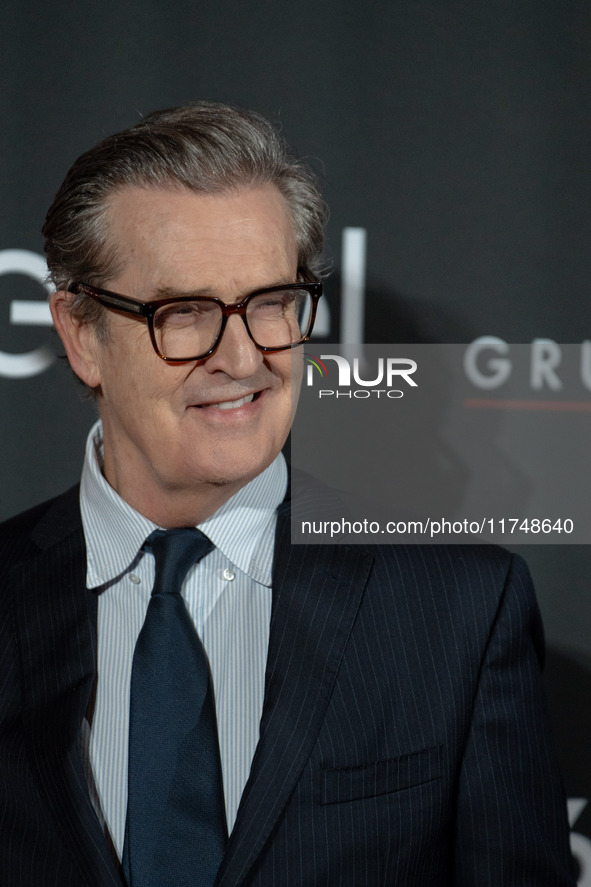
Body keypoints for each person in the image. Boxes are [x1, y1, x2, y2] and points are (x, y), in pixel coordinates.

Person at [0, 102, 575, 887]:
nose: (242, 357)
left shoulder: (459, 611)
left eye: (271, 302)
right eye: (185, 311)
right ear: (79, 334)